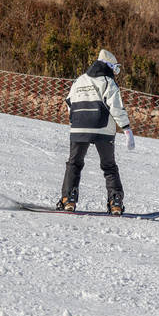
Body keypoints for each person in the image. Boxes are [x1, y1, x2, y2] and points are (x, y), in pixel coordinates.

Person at [57, 49, 135, 215]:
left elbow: (69, 102)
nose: (116, 73)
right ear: (107, 66)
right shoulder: (108, 82)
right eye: (115, 68)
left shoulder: (79, 80)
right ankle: (115, 202)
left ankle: (68, 199)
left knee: (74, 163)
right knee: (109, 166)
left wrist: (75, 120)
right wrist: (126, 128)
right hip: (103, 129)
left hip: (79, 128)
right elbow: (116, 107)